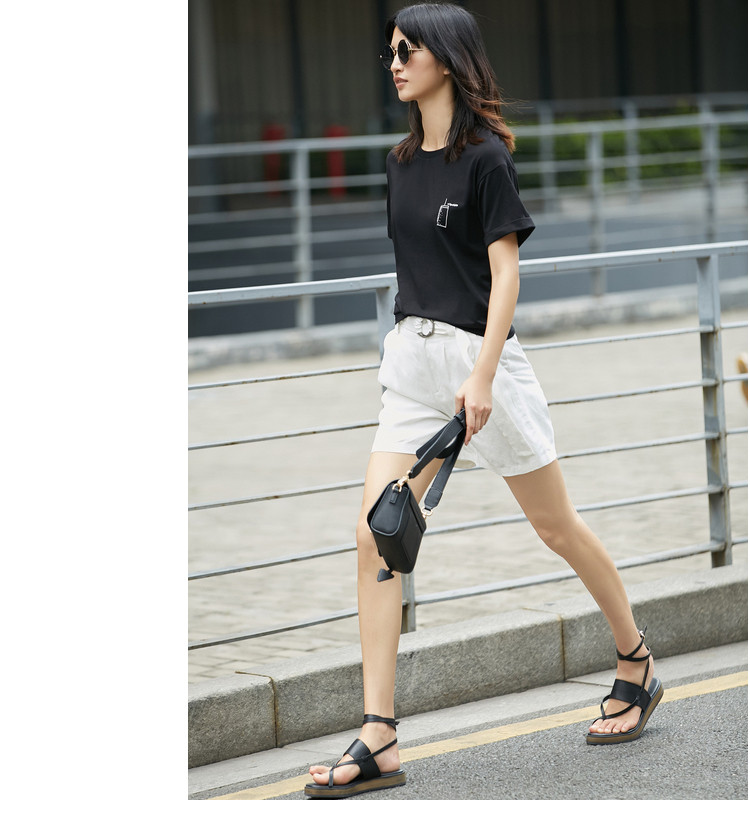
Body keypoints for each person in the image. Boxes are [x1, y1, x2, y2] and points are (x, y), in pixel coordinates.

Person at [305, 2, 662, 800]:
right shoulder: (401, 162)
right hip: (413, 362)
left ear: (446, 58)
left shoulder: (486, 160)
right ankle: (379, 733)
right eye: (390, 50)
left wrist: (484, 375)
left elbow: (505, 274)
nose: (394, 61)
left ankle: (635, 657)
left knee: (554, 525)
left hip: (482, 359)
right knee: (375, 534)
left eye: (408, 49)